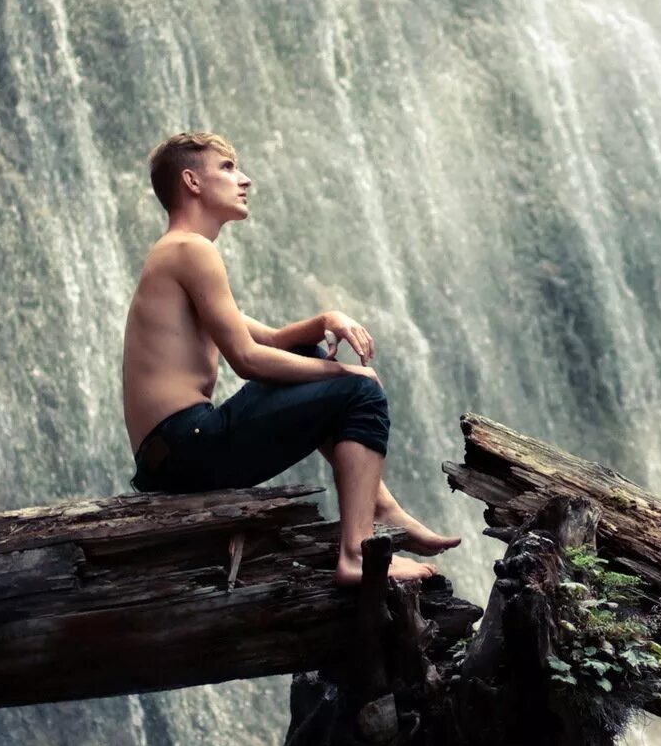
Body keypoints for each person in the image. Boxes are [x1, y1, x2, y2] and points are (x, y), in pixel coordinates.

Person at [121, 131, 460, 584]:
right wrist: (345, 373)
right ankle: (357, 554)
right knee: (361, 392)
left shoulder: (178, 253)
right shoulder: (191, 250)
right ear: (192, 182)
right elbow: (247, 359)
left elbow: (275, 340)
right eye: (227, 167)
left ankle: (379, 505)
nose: (244, 179)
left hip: (172, 452)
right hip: (187, 447)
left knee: (309, 355)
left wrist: (326, 318)